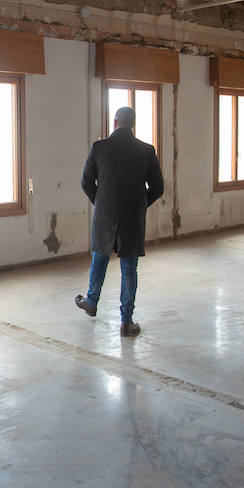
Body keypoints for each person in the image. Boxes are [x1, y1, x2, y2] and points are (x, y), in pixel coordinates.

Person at [76, 105, 163, 336]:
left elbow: (86, 183)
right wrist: (141, 204)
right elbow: (158, 187)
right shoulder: (146, 150)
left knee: (99, 260)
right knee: (129, 269)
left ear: (115, 122)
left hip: (105, 216)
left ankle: (92, 301)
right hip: (132, 218)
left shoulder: (99, 147)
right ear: (132, 124)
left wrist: (102, 203)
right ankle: (126, 322)